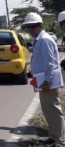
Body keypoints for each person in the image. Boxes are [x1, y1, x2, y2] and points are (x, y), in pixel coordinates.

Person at [25, 12, 64, 145]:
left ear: (40, 25)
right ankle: (54, 135)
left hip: (48, 81)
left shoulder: (44, 40)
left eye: (33, 26)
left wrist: (47, 81)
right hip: (43, 79)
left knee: (53, 109)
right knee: (48, 109)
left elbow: (50, 63)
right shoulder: (39, 39)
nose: (30, 29)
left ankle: (57, 138)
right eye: (28, 27)